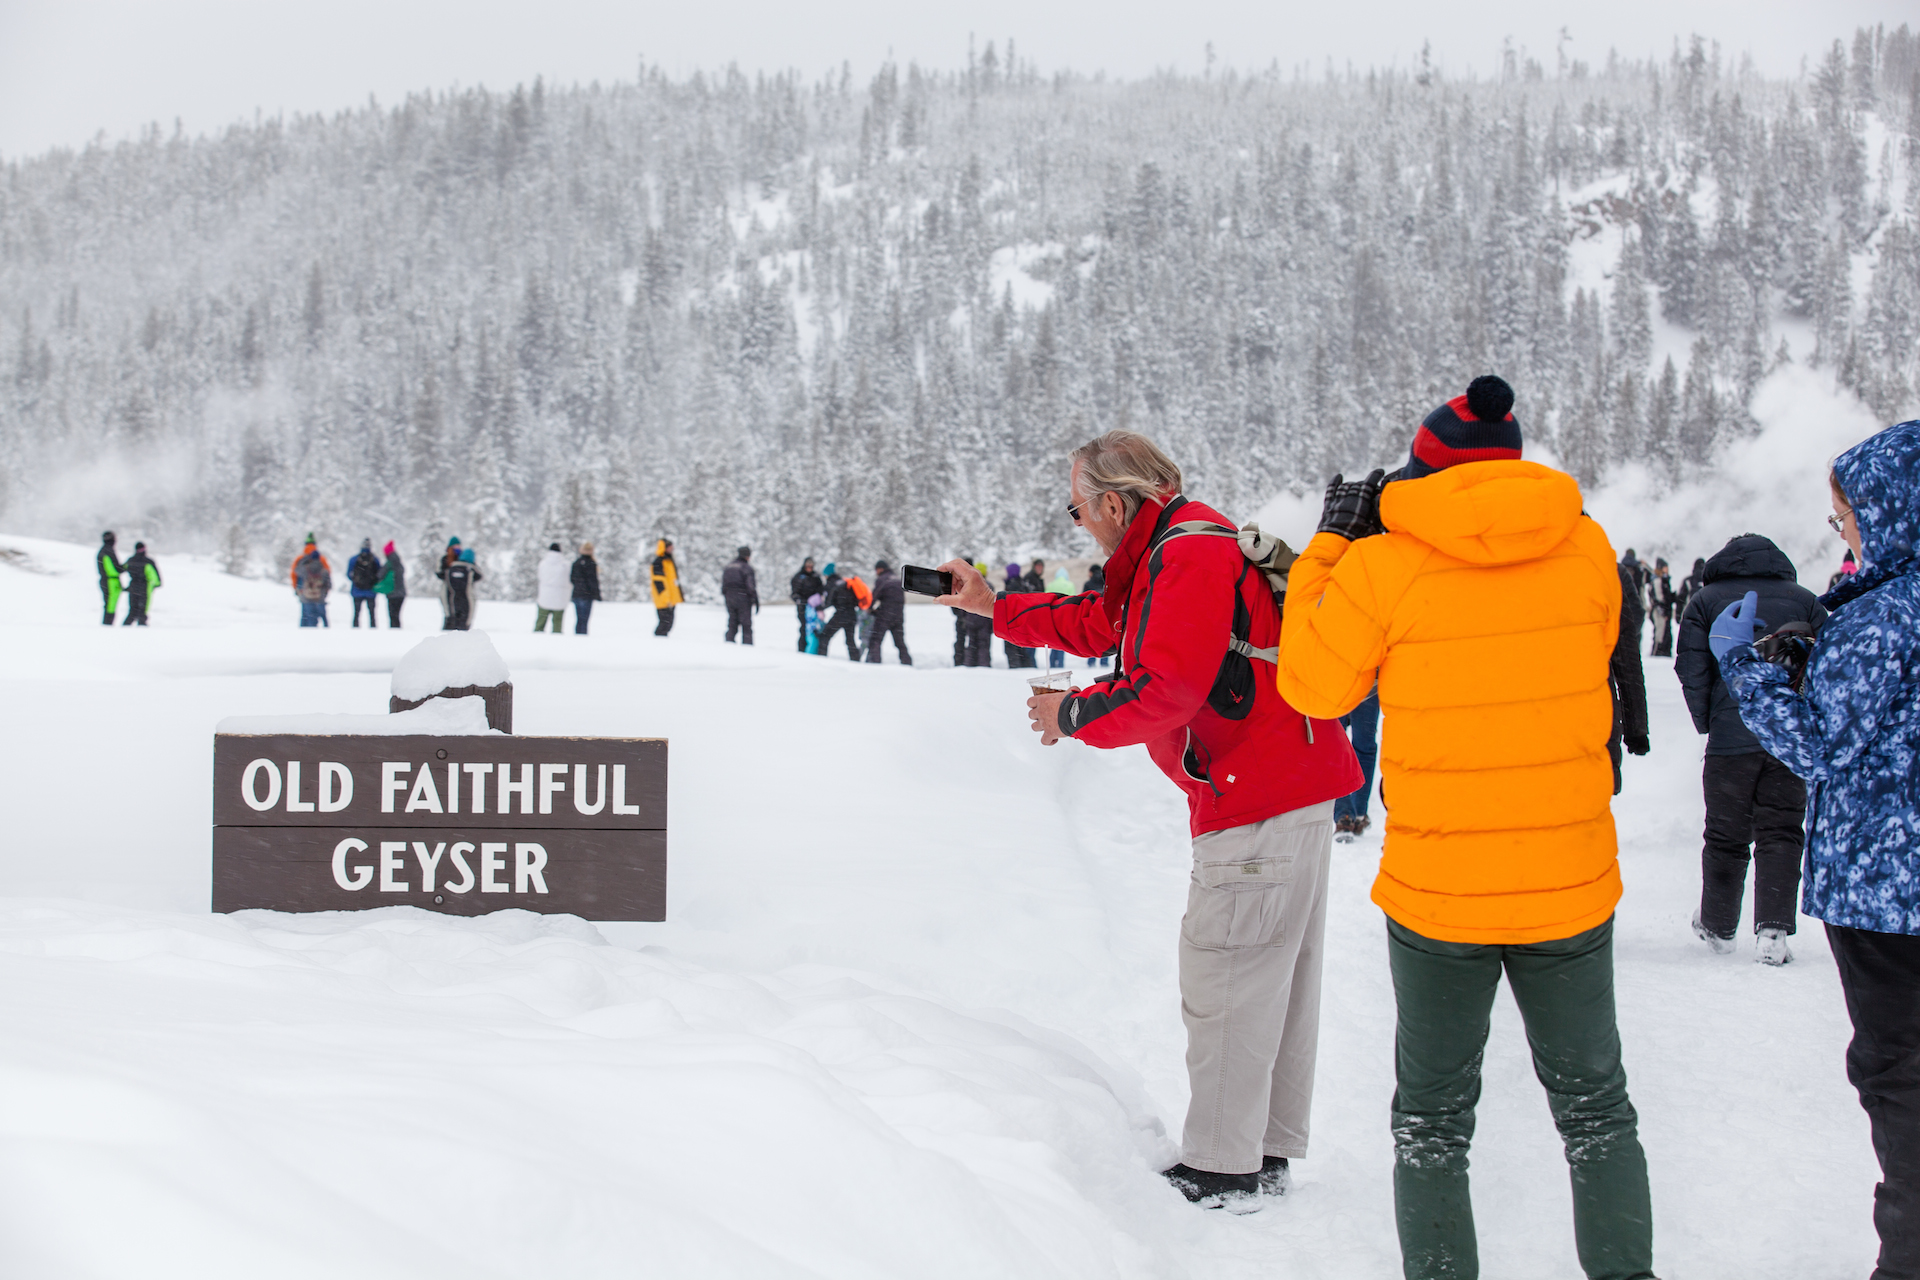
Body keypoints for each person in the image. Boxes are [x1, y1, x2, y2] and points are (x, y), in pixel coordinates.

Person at [1273, 375, 1655, 1280]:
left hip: (1440, 895)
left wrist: (1334, 541)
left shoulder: (1381, 564)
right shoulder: (1588, 548)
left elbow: (1313, 688)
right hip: (1568, 876)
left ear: (1423, 469)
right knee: (1597, 1111)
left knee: (1433, 1123)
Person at [939, 430, 1360, 1210]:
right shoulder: (1174, 545)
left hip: (1256, 793)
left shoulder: (1188, 554)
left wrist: (1070, 712)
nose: (1080, 524)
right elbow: (1101, 623)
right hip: (1283, 783)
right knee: (1270, 974)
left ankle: (1223, 1169)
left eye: (1077, 509)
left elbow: (1163, 688)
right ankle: (1260, 1151)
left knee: (1228, 972)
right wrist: (995, 605)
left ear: (1110, 500)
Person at [1716, 418, 1920, 1279]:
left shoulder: (1884, 617)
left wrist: (1751, 672)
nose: (1844, 534)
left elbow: (1821, 749)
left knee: (1897, 1072)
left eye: (1848, 517)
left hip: (1886, 887)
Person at [1675, 533, 1826, 964]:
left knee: (1725, 834)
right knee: (1781, 829)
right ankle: (1774, 933)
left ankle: (1720, 928)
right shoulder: (1806, 601)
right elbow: (1827, 667)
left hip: (1730, 739)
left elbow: (1692, 668)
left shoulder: (1705, 601)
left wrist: (1708, 721)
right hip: (1789, 738)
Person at [1333, 689, 1380, 839]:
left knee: (1336, 745)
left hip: (1336, 683)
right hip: (1368, 682)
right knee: (1364, 747)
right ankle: (1357, 813)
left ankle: (1344, 815)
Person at [865, 559, 911, 664]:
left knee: (875, 640)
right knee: (900, 642)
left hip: (885, 615)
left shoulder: (882, 579)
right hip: (899, 615)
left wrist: (870, 608)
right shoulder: (897, 579)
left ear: (880, 569)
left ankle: (875, 664)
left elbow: (875, 595)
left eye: (876, 570)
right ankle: (907, 663)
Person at [818, 563, 861, 660]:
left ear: (827, 574)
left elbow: (828, 602)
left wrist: (819, 607)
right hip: (852, 615)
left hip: (841, 615)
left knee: (825, 636)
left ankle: (821, 659)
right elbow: (856, 600)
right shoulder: (844, 582)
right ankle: (856, 660)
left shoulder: (831, 584)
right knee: (850, 640)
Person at [1001, 562, 1038, 668]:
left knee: (1013, 650)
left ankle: (1017, 671)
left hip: (1013, 621)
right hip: (1022, 622)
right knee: (1022, 650)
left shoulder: (1012, 584)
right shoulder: (1023, 583)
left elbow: (1012, 604)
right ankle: (1025, 667)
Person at [292, 536, 331, 627]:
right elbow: (328, 582)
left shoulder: (303, 564)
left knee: (306, 617)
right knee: (322, 617)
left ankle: (304, 635)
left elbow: (295, 571)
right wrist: (324, 592)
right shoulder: (323, 565)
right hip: (319, 596)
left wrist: (296, 588)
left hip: (306, 594)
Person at [722, 545, 759, 644]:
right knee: (746, 624)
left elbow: (724, 584)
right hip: (743, 597)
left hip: (730, 597)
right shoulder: (746, 567)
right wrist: (755, 599)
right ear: (747, 556)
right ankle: (747, 648)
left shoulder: (729, 566)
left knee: (732, 623)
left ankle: (729, 644)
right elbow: (750, 585)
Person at [439, 547, 481, 630]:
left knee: (454, 620)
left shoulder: (451, 569)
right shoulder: (470, 569)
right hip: (467, 598)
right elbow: (479, 576)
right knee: (464, 623)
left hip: (453, 598)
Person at [533, 542, 569, 633]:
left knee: (540, 622)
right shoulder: (565, 564)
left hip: (545, 596)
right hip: (559, 597)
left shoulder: (543, 563)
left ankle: (535, 640)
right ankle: (556, 643)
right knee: (557, 623)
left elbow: (540, 576)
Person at [121, 541, 160, 625]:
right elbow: (155, 577)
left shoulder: (130, 560)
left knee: (132, 610)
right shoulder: (148, 561)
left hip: (133, 587)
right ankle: (142, 629)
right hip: (144, 587)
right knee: (142, 610)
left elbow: (121, 569)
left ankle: (125, 628)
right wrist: (156, 584)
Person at [791, 557, 825, 652]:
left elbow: (821, 590)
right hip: (803, 607)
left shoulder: (816, 577)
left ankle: (815, 650)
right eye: (808, 565)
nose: (809, 567)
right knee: (804, 628)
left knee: (816, 628)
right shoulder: (798, 577)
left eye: (811, 565)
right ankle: (802, 650)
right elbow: (794, 593)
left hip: (814, 608)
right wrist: (800, 601)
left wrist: (818, 602)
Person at [1082, 563, 1113, 667]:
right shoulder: (1107, 580)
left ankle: (1091, 660)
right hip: (1105, 613)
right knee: (1105, 636)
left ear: (1091, 572)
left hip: (1091, 612)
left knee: (1091, 636)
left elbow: (1083, 598)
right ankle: (1104, 661)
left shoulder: (1088, 583)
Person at [347, 539, 383, 627]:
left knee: (356, 613)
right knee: (372, 614)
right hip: (371, 591)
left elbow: (348, 574)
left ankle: (355, 630)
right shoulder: (375, 559)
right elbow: (379, 574)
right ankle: (373, 629)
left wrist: (356, 581)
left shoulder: (354, 559)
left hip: (357, 591)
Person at [1045, 566, 1076, 668]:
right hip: (1065, 616)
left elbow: (1045, 599)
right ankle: (1060, 664)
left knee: (1053, 641)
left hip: (1052, 616)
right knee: (1062, 642)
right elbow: (1074, 600)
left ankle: (1052, 664)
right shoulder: (1070, 584)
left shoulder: (1051, 584)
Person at [1620, 548, 1649, 652]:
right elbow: (1650, 576)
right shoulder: (1638, 568)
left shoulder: (1620, 567)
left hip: (1622, 601)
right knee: (1636, 633)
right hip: (1637, 599)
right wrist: (1643, 564)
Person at [650, 538, 681, 636]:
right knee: (664, 623)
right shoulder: (659, 562)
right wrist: (665, 598)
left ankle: (662, 642)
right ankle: (658, 642)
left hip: (670, 599)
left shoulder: (669, 561)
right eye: (670, 547)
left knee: (669, 623)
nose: (672, 549)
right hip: (663, 599)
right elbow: (659, 583)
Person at [1647, 558, 1676, 657]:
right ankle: (1657, 652)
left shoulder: (1664, 580)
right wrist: (1665, 609)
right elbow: (1659, 597)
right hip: (1660, 611)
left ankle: (1664, 652)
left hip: (1664, 610)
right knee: (1660, 633)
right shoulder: (1658, 580)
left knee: (1664, 632)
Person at [570, 542, 601, 634]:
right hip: (587, 595)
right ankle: (582, 637)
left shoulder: (576, 563)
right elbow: (593, 580)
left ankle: (578, 636)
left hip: (577, 594)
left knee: (579, 618)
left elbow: (572, 579)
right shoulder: (591, 563)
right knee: (584, 620)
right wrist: (597, 594)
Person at [375, 541, 406, 629]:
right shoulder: (399, 563)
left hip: (392, 593)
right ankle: (397, 631)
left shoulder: (389, 564)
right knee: (397, 615)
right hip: (401, 593)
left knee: (392, 615)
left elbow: (380, 575)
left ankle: (393, 633)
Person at [97, 532, 125, 625]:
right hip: (111, 581)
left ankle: (107, 625)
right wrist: (127, 566)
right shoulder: (109, 551)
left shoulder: (102, 551)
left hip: (105, 580)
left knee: (108, 605)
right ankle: (107, 626)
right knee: (110, 606)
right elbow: (116, 569)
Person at [1677, 555, 1706, 619]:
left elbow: (1681, 599)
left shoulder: (1688, 581)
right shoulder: (1708, 581)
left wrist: (1678, 613)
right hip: (1704, 616)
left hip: (1690, 614)